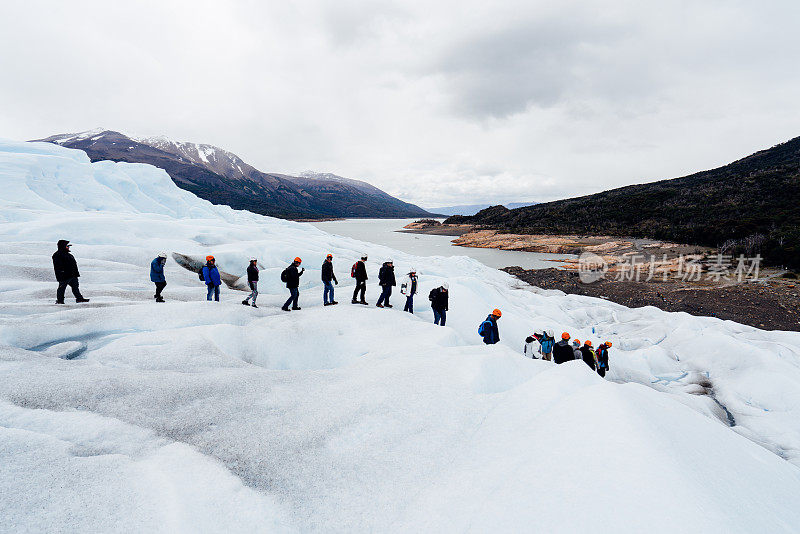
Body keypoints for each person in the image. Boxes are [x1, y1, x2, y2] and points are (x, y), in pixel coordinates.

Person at [52, 239, 89, 304]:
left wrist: (75, 274)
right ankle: (60, 301)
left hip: (73, 275)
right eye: (67, 246)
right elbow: (58, 266)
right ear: (63, 246)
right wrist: (62, 273)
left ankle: (79, 299)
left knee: (75, 288)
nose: (68, 247)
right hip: (64, 276)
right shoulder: (57, 255)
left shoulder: (68, 255)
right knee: (62, 288)